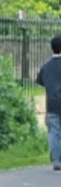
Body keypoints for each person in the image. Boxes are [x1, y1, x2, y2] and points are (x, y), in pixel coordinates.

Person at [36, 35, 61, 171]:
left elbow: (40, 81)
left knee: (54, 132)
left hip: (51, 103)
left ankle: (57, 160)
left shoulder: (47, 65)